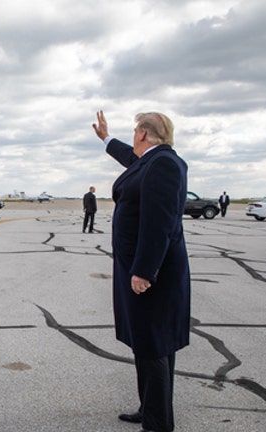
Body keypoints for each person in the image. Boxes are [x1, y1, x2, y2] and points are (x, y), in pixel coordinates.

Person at [92, 110, 191, 432]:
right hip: (140, 268)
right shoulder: (151, 161)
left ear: (144, 134)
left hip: (150, 274)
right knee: (150, 344)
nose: (133, 138)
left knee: (152, 345)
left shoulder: (162, 164)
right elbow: (129, 159)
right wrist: (106, 138)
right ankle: (150, 407)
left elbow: (159, 223)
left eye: (134, 132)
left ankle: (157, 424)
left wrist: (145, 271)